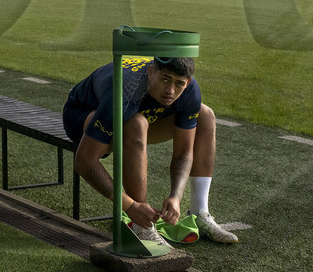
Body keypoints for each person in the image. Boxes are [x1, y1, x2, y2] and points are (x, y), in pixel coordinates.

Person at [63, 55, 238, 244]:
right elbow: (84, 161)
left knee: (205, 115)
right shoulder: (124, 89)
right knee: (136, 123)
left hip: (137, 113)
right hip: (84, 116)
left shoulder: (189, 89)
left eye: (179, 83)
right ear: (151, 71)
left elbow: (184, 153)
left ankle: (199, 212)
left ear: (187, 82)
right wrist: (130, 206)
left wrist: (176, 197)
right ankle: (141, 225)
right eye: (165, 79)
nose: (171, 91)